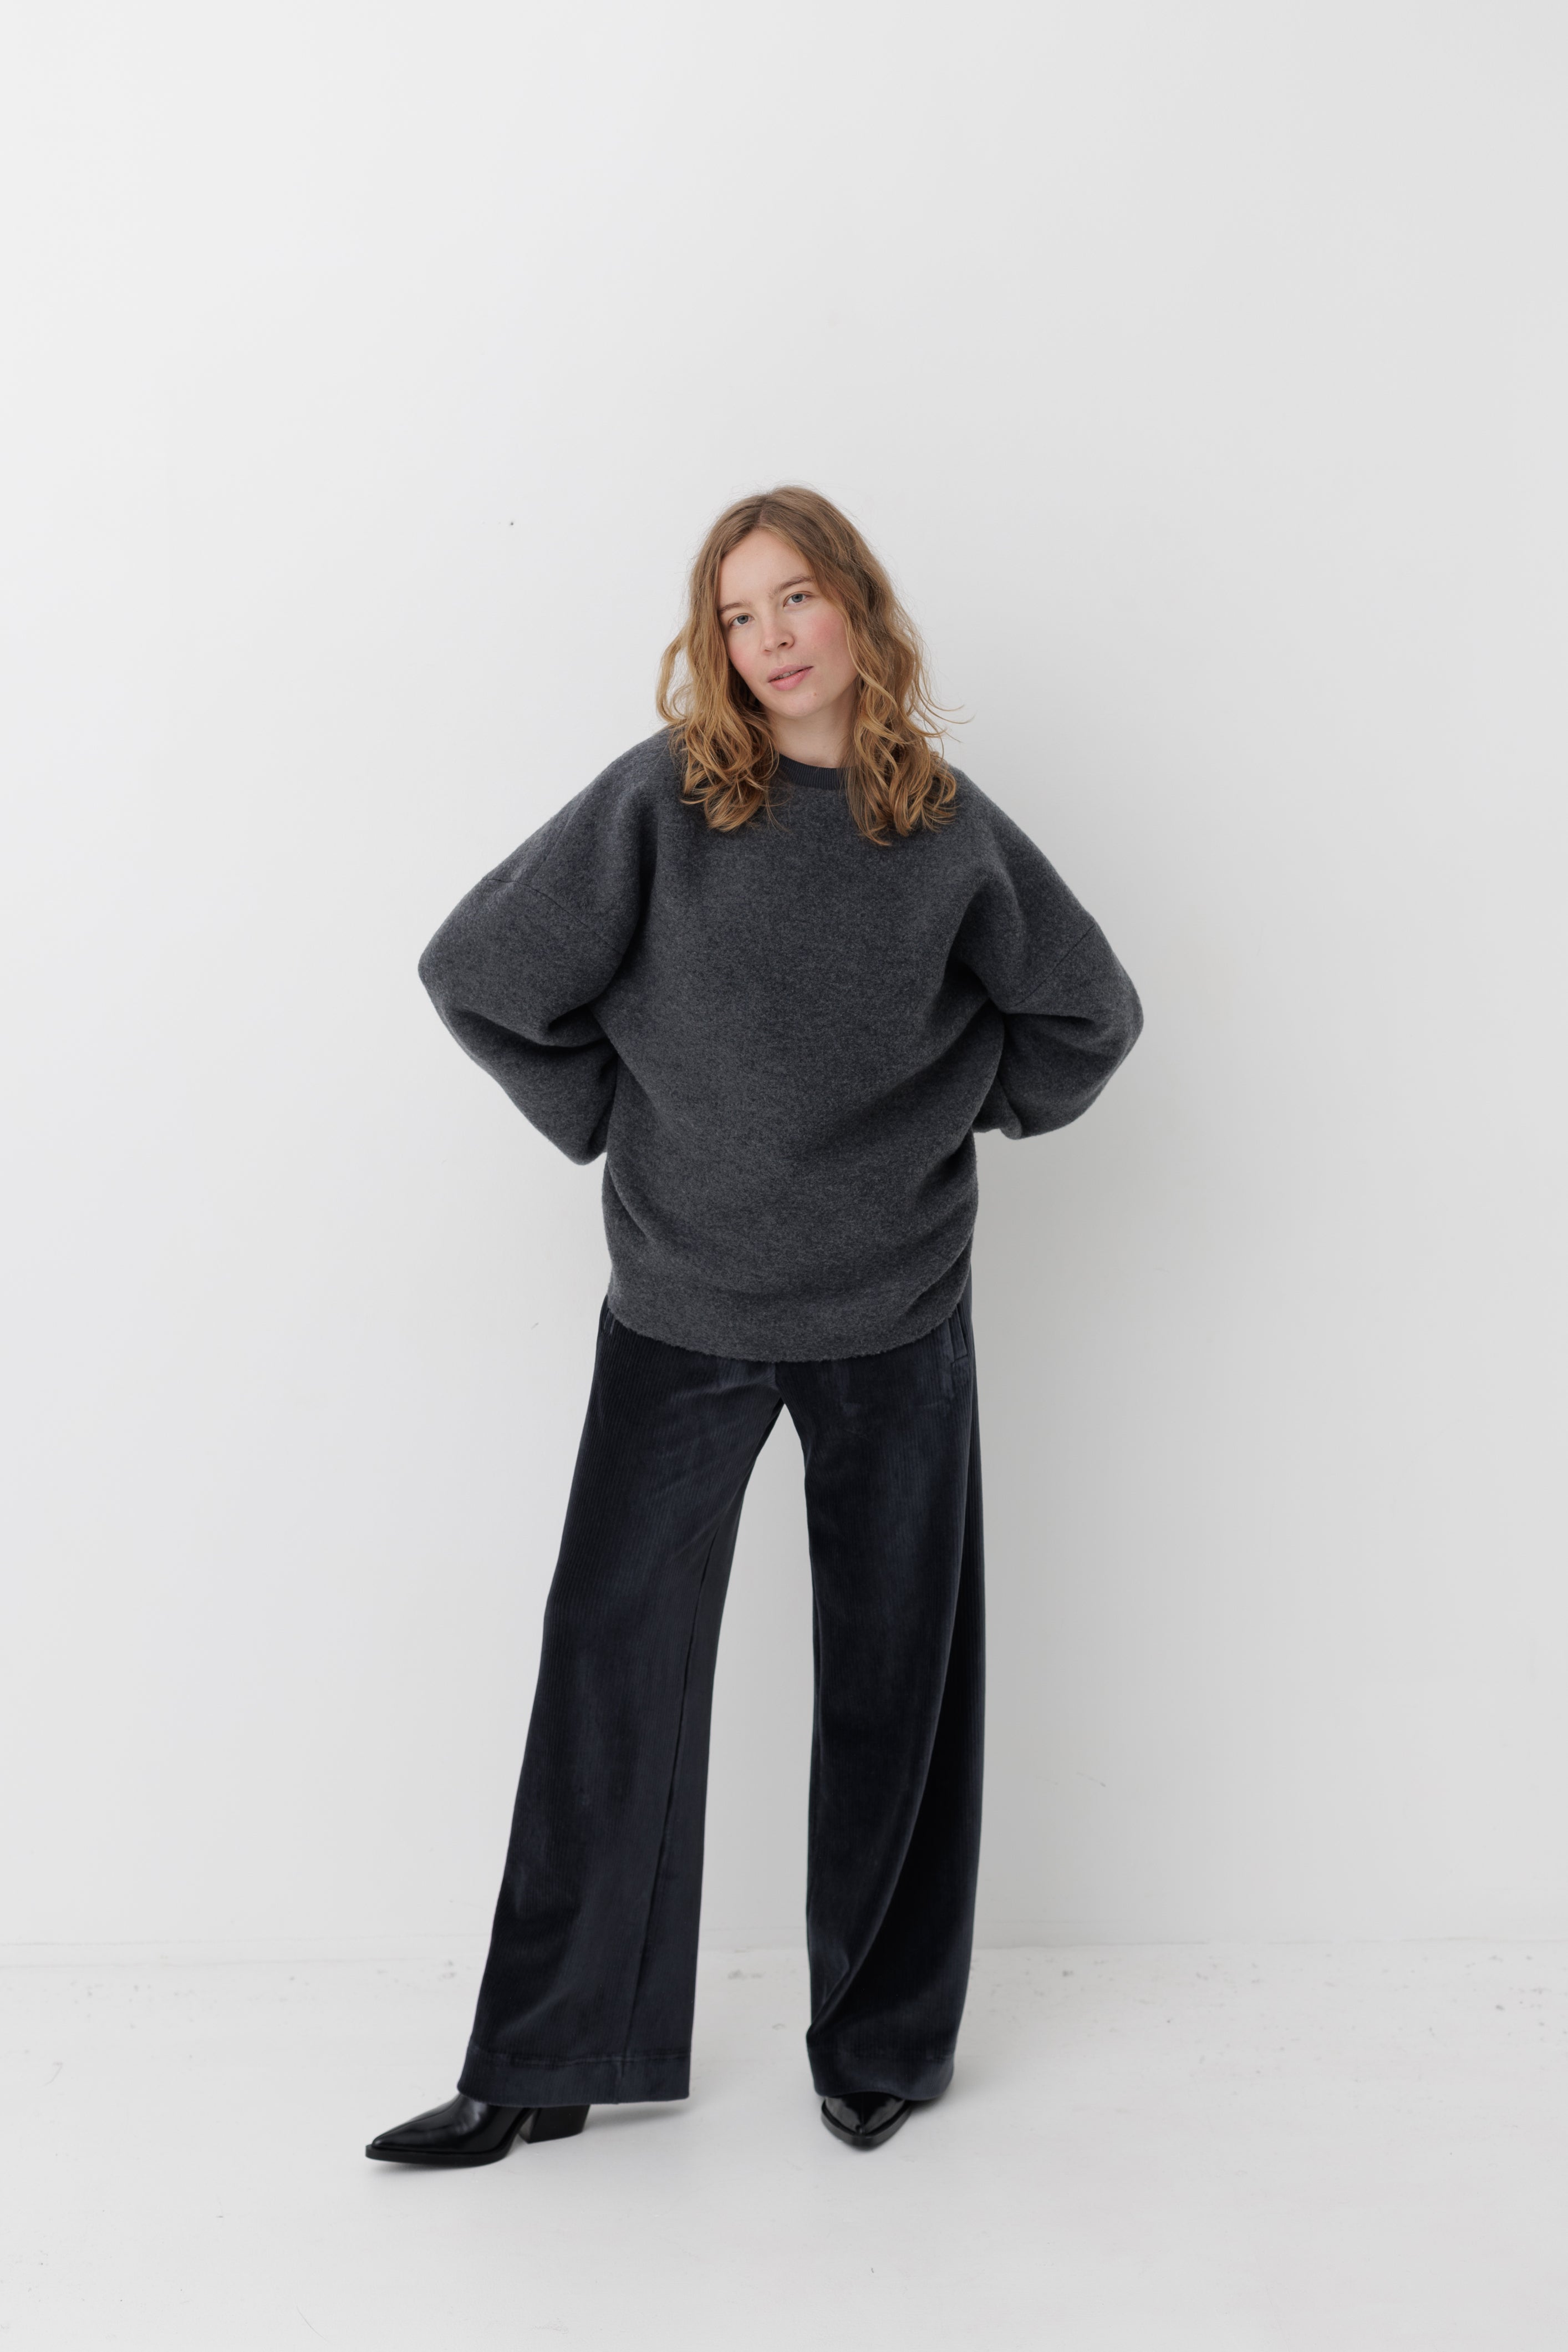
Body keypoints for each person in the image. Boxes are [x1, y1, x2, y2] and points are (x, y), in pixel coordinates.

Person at [366, 486, 1143, 2167]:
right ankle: (546, 2058)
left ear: (856, 606)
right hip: (683, 1302)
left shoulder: (946, 830)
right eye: (737, 614)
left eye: (795, 598)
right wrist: (610, 1118)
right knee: (611, 1670)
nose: (771, 637)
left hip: (895, 1308)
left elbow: (1090, 1014)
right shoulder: (660, 804)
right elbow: (476, 970)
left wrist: (954, 1113)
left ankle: (881, 2047)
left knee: (896, 1684)